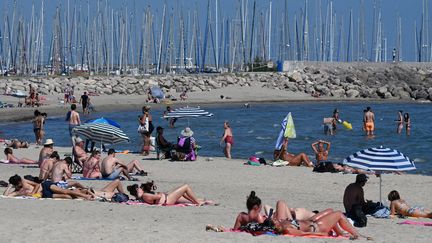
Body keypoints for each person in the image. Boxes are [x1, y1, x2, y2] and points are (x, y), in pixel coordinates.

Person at [272, 208, 371, 239]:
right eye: (274, 221)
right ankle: (357, 235)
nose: (275, 220)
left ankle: (339, 232)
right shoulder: (288, 229)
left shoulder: (282, 223)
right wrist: (321, 234)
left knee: (330, 210)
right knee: (338, 214)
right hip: (317, 227)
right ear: (276, 226)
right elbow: (303, 234)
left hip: (311, 221)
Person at [127, 181, 213, 206]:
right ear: (137, 191)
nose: (141, 189)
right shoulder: (144, 195)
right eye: (139, 189)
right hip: (167, 200)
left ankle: (202, 201)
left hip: (166, 197)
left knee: (182, 194)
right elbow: (157, 197)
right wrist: (159, 193)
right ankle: (197, 203)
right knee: (185, 187)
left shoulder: (143, 196)